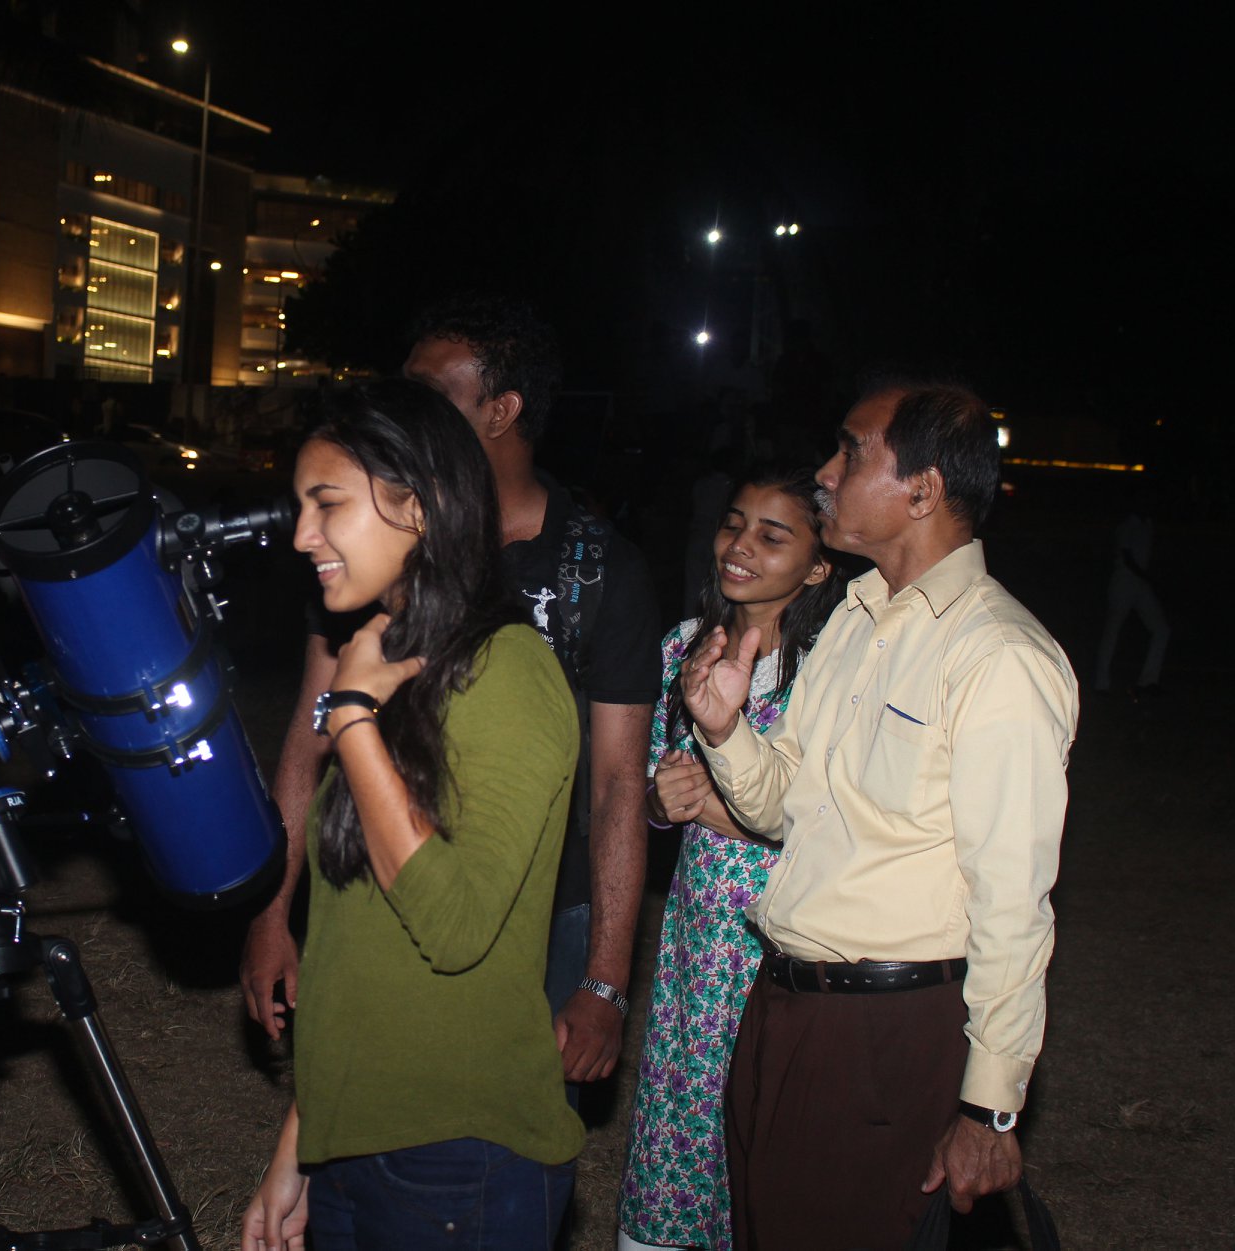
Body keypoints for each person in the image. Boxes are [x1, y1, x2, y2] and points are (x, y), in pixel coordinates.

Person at [680, 374, 1079, 1249]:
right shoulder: (857, 619)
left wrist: (989, 1109)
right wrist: (724, 729)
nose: (826, 470)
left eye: (853, 450)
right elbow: (787, 806)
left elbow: (1014, 904)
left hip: (888, 1036)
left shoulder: (998, 657)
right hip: (784, 1004)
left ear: (924, 489)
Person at [241, 296, 659, 1096]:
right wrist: (271, 912)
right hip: (382, 878)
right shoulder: (365, 562)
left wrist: (605, 979)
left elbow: (615, 787)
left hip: (550, 903)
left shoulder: (599, 570)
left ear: (503, 410)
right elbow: (309, 733)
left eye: (431, 393)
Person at [242, 380, 583, 1250]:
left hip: (459, 1158)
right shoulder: (386, 664)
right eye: (298, 507)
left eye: (327, 505)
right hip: (357, 1142)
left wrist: (351, 717)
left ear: (420, 507)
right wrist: (302, 1142)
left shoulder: (508, 671)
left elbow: (454, 924)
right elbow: (355, 960)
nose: (300, 536)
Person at [618, 467, 843, 1251]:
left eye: (771, 535)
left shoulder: (835, 671)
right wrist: (660, 799)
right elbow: (642, 791)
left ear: (819, 564)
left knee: (767, 1131)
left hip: (780, 945)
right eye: (734, 524)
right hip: (696, 942)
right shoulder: (684, 645)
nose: (739, 546)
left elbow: (843, 822)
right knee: (686, 1110)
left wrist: (713, 806)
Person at [1093, 483, 1169, 698]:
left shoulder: (1148, 524)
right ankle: (1101, 684)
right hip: (1125, 582)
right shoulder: (1128, 525)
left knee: (1161, 629)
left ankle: (1149, 680)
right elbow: (1126, 557)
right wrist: (1149, 577)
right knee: (1113, 629)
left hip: (1140, 583)